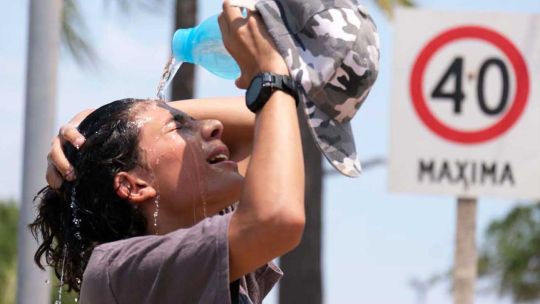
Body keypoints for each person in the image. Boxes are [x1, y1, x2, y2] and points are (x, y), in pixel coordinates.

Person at [32, 2, 304, 303]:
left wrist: (108, 115)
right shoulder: (117, 271)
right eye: (178, 128)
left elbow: (272, 123)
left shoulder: (215, 255)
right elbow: (278, 216)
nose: (214, 126)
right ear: (133, 185)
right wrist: (270, 75)